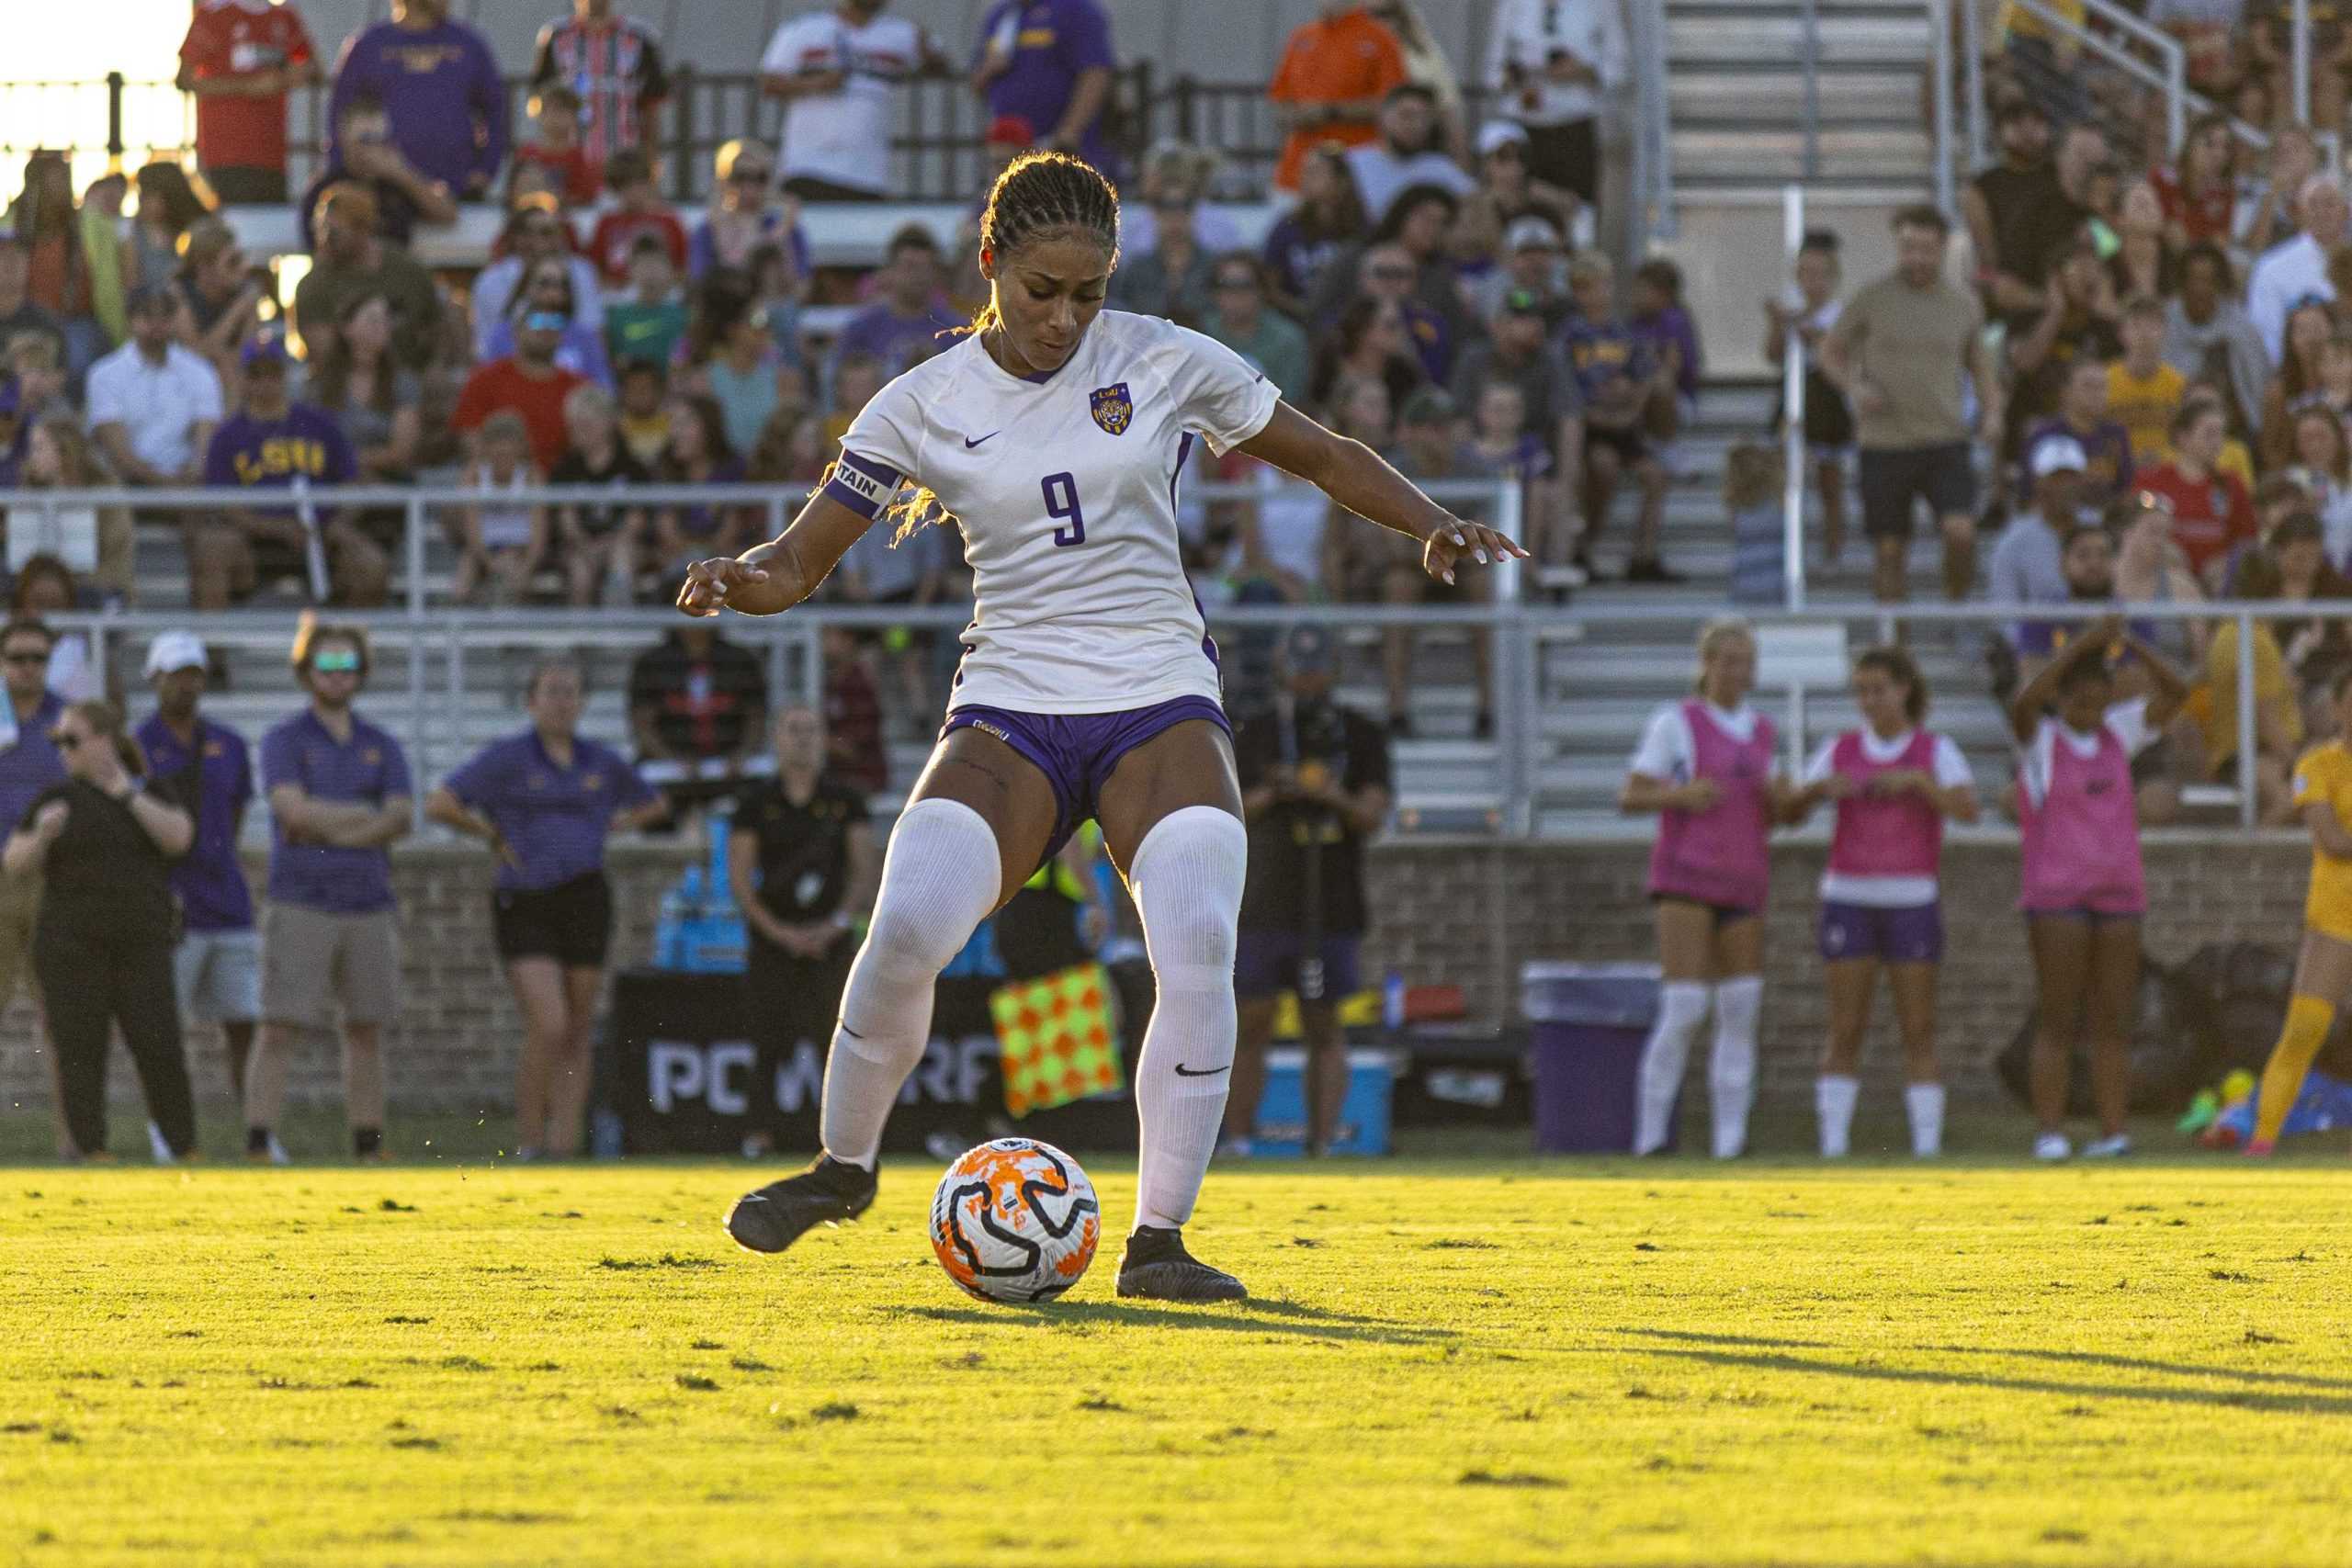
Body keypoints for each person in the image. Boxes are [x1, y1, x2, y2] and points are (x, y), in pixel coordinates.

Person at [679, 150, 1521, 1298]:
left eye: (1088, 293)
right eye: (1041, 291)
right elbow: (801, 558)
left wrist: (1428, 520)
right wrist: (743, 577)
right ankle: (841, 1168)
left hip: (1158, 695)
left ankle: (1157, 1242)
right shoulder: (920, 402)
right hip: (1011, 702)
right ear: (990, 267)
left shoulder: (1163, 356)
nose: (1064, 318)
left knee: (1198, 942)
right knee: (909, 924)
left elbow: (1319, 453)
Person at [428, 660, 662, 1160]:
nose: (562, 702)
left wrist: (615, 826)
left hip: (585, 896)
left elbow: (654, 803)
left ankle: (564, 1144)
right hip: (527, 899)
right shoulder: (507, 759)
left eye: (571, 693)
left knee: (579, 1025)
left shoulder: (599, 761)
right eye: (552, 693)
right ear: (532, 702)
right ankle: (529, 1141)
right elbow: (441, 803)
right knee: (549, 1022)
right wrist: (491, 835)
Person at [2009, 617, 2189, 1161]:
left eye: (2098, 702)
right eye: (2078, 703)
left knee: (2114, 1020)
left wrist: (2135, 644)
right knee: (2059, 1016)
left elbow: (2177, 693)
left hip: (2118, 896)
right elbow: (2024, 704)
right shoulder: (2041, 740)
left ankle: (2114, 1132)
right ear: (2062, 698)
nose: (2089, 713)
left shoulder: (2120, 732)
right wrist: (2079, 647)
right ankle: (2050, 1132)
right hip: (2057, 899)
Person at [1788, 647, 1978, 1158]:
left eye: (1879, 689)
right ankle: (1832, 1146)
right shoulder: (1840, 748)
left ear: (1904, 689)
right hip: (1848, 894)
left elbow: (1968, 809)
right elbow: (1788, 810)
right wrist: (1819, 791)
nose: (1870, 701)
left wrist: (1919, 784)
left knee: (1918, 1026)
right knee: (1846, 1024)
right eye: (1861, 691)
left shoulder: (1933, 750)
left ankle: (1926, 1147)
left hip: (1912, 896)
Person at [1620, 619, 1795, 1160]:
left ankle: (1730, 1141)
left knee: (1742, 1005)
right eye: (1728, 660)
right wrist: (1680, 796)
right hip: (1686, 878)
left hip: (1744, 877)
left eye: (1746, 661)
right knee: (1686, 1003)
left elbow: (1777, 815)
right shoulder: (1677, 723)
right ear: (1707, 664)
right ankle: (1650, 1137)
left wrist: (1782, 799)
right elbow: (1632, 795)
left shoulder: (1764, 731)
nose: (1738, 671)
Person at [245, 624, 413, 1164]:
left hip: (368, 901)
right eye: (326, 665)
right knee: (278, 1025)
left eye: (347, 666)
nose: (337, 676)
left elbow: (402, 817)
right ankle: (259, 1139)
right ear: (304, 672)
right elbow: (291, 812)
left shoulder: (380, 743)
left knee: (365, 1027)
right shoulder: (285, 739)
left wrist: (328, 825)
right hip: (300, 898)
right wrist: (366, 819)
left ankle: (369, 1143)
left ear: (360, 672)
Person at [1223, 625, 1391, 1159]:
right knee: (1252, 1018)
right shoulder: (1256, 731)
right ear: (1281, 672)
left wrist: (1329, 794)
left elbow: (1372, 814)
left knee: (1325, 1021)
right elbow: (1230, 809)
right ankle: (1239, 1141)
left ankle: (1322, 1145)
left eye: (1316, 669)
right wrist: (1279, 789)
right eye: (1299, 671)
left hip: (1332, 899)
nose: (1308, 682)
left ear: (1335, 670)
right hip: (1266, 895)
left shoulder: (1361, 733)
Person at [5, 699, 196, 1165]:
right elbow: (13, 862)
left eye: (73, 740)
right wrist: (44, 836)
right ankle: (92, 1149)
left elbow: (179, 837)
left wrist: (125, 794)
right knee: (79, 1049)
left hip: (141, 944)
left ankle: (182, 1147)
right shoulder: (58, 798)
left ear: (105, 740)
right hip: (72, 946)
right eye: (59, 742)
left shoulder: (150, 791)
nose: (64, 750)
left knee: (158, 1044)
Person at [1823, 206, 2002, 609]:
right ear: (1897, 246)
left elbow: (1983, 372)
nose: (1917, 258)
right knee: (1889, 551)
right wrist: (1854, 386)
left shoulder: (1963, 305)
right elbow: (1831, 351)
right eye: (1908, 247)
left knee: (1961, 533)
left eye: (1926, 248)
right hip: (1884, 443)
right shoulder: (1871, 298)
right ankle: (1894, 642)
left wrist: (1992, 414)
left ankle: (1955, 605)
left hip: (1945, 439)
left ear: (1941, 249)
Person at [729, 705, 879, 1158]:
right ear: (777, 737)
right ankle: (759, 1135)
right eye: (793, 730)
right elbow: (740, 879)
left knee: (834, 1041)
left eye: (811, 730)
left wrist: (833, 926)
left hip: (830, 941)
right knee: (767, 1039)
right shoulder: (755, 803)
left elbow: (864, 870)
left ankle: (837, 1141)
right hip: (774, 940)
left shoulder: (846, 800)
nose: (802, 739)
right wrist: (780, 933)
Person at [134, 630, 260, 1103]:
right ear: (155, 679)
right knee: (166, 1024)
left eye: (193, 675)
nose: (185, 685)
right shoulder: (139, 744)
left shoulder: (228, 742)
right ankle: (169, 1127)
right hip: (170, 903)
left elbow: (235, 814)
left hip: (226, 899)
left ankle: (256, 1127)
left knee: (245, 1019)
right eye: (175, 675)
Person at [2245, 670, 2352, 1154]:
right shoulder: (2317, 764)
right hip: (2336, 916)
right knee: (2306, 1026)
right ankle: (2263, 1138)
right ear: (2336, 708)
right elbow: (2331, 840)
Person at [198, 337, 387, 608]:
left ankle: (347, 645)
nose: (265, 383)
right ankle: (212, 647)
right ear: (243, 379)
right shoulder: (227, 435)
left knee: (370, 564)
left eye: (273, 373)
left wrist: (334, 523)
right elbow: (224, 503)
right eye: (255, 375)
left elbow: (352, 480)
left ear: (285, 375)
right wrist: (276, 529)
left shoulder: (318, 423)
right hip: (255, 540)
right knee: (213, 549)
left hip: (319, 535)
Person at [761, 0, 951, 202]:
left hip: (868, 172)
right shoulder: (804, 29)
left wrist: (923, 46)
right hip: (808, 166)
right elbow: (769, 82)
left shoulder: (900, 34)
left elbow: (942, 66)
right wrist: (817, 83)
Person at [1562, 252, 1676, 582]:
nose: (1597, 294)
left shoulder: (1623, 333)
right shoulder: (1569, 335)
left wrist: (1629, 408)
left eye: (1602, 285)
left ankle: (1644, 556)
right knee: (1603, 467)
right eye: (1587, 287)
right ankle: (1585, 546)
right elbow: (1566, 388)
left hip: (1624, 425)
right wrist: (1596, 408)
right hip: (1589, 429)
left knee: (1655, 475)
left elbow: (1642, 378)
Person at [327, 0, 507, 200]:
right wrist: (342, 176)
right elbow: (340, 115)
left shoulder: (469, 44)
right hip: (384, 195)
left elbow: (496, 110)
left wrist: (485, 170)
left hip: (456, 194)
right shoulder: (368, 45)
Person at [0, 618, 65, 1152]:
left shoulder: (67, 721)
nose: (27, 667)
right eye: (18, 656)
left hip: (52, 880)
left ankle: (74, 1139)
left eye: (38, 658)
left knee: (61, 1017)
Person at [1485, 0, 1623, 229]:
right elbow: (1492, 73)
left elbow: (1618, 68)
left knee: (1578, 213)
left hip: (1574, 126)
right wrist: (1515, 75)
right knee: (1518, 209)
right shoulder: (1510, 5)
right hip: (1524, 123)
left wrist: (1582, 71)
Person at [175, 0, 322, 205]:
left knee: (266, 226)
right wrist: (247, 87)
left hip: (272, 155)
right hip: (225, 155)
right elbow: (184, 79)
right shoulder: (212, 15)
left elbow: (312, 67)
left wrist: (284, 78)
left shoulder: (284, 17)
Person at [1766, 230, 1853, 566]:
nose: (1811, 281)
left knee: (1830, 478)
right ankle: (1788, 544)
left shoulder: (1839, 314)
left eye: (1819, 274)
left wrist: (1811, 332)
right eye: (1805, 273)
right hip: (1795, 392)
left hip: (1827, 399)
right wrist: (1777, 324)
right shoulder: (1791, 312)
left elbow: (1841, 353)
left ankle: (1833, 542)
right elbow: (1773, 355)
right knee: (1788, 470)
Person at [86, 286, 223, 494]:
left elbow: (206, 443)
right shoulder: (104, 375)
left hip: (189, 489)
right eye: (148, 316)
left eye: (166, 316)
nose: (157, 324)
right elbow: (119, 455)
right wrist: (168, 486)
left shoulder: (200, 372)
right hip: (128, 489)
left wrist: (195, 474)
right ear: (131, 320)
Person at [291, 185, 442, 369]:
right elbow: (324, 356)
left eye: (333, 233)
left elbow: (438, 324)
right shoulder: (315, 284)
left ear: (362, 229)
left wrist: (438, 367)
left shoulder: (407, 271)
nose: (324, 240)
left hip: (411, 378)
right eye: (320, 229)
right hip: (343, 387)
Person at [628, 619, 770, 813]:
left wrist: (742, 755)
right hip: (670, 775)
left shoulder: (741, 660)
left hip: (731, 772)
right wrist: (673, 761)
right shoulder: (652, 662)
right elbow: (642, 725)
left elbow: (756, 717)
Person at [1266, 1, 1408, 194]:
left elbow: (1394, 103)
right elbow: (1280, 98)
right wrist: (1294, 115)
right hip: (1297, 171)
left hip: (1355, 173)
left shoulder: (1380, 38)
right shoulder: (1302, 36)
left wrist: (1331, 112)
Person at [970, 0, 1118, 173]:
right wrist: (987, 69)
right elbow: (976, 83)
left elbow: (1095, 74)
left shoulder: (1076, 10)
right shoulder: (1001, 16)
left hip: (1058, 150)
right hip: (1009, 150)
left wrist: (1068, 132)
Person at [529, 0, 672, 176]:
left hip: (624, 161)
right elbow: (540, 100)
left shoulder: (640, 37)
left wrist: (650, 162)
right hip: (570, 163)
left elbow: (652, 107)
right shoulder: (555, 36)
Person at [452, 302, 591, 472]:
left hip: (564, 488)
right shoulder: (484, 380)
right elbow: (470, 439)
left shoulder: (580, 387)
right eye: (537, 321)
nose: (546, 328)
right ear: (516, 331)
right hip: (503, 488)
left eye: (555, 321)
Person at [2137, 397, 2256, 587]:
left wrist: (2228, 562)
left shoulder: (2232, 485)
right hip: (2164, 582)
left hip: (2219, 584)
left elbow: (2247, 541)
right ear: (2183, 438)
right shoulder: (2152, 482)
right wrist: (2165, 551)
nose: (2217, 442)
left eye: (2221, 434)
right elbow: (2137, 532)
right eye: (2209, 434)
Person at [470, 199, 606, 364]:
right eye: (526, 232)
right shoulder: (490, 281)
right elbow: (486, 346)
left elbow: (592, 333)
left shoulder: (582, 272)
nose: (536, 240)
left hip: (570, 353)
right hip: (510, 361)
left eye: (546, 232)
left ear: (560, 237)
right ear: (514, 237)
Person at [549, 383, 650, 604]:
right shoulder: (565, 468)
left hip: (624, 543)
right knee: (579, 570)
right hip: (579, 545)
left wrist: (608, 545)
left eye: (585, 425)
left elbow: (637, 520)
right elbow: (566, 519)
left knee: (621, 558)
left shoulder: (633, 467)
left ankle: (619, 631)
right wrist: (587, 546)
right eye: (573, 426)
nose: (577, 432)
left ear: (607, 423)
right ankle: (580, 634)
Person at [831, 224, 967, 377]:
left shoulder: (957, 331)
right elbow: (839, 386)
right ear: (890, 271)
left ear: (936, 273)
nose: (918, 276)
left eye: (925, 268)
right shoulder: (860, 330)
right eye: (910, 267)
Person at [2248, 175, 2351, 363]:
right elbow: (2267, 338)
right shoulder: (2272, 268)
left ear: (2346, 212)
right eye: (2313, 205)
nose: (2321, 212)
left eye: (2329, 204)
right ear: (2299, 213)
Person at [1343, 85, 1474, 226]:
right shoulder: (1351, 163)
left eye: (1424, 119)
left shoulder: (1442, 170)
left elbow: (1473, 206)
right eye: (1407, 115)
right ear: (1383, 117)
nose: (1416, 125)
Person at [1201, 254, 1311, 403]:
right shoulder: (1201, 334)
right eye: (1227, 286)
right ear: (1215, 293)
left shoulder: (1288, 339)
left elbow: (1293, 402)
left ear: (1262, 291)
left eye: (1245, 286)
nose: (1236, 295)